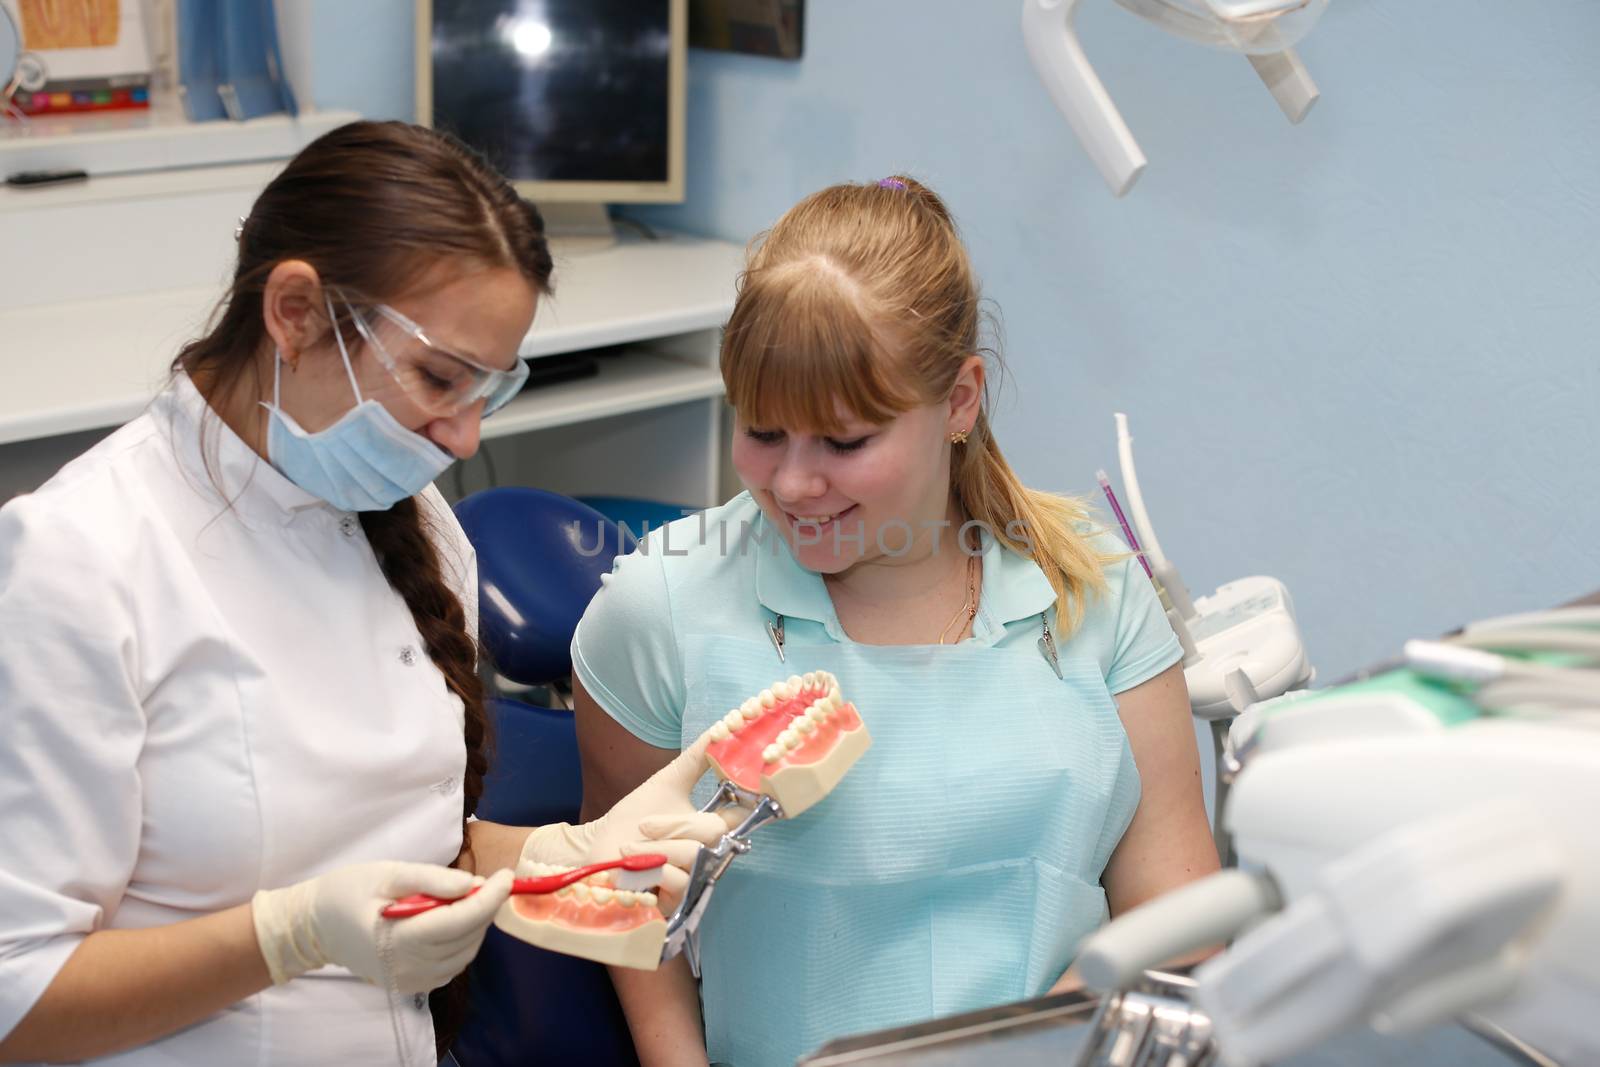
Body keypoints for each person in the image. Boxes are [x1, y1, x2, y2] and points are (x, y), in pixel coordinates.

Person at [0, 121, 722, 1066]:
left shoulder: (416, 525)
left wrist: (560, 856)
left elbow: (391, 852)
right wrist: (285, 936)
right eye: (438, 377)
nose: (464, 438)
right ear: (295, 311)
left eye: (488, 394)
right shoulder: (80, 559)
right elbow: (18, 999)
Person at [572, 176, 1221, 1066]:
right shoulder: (661, 606)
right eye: (762, 431)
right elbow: (622, 885)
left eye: (844, 443)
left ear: (959, 401)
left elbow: (1176, 921)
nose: (794, 485)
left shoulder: (1096, 594)